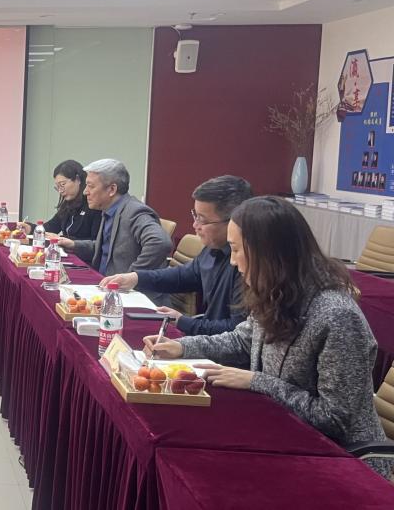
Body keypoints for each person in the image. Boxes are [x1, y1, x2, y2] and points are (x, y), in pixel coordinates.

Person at [144, 197, 392, 478]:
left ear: (269, 253)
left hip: (343, 461)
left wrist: (256, 381)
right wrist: (181, 347)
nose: (233, 261)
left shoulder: (337, 316)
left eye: (236, 250)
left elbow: (334, 419)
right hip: (284, 434)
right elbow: (242, 341)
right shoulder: (275, 291)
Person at [100, 175, 251, 335]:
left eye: (202, 220)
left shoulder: (247, 266)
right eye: (195, 216)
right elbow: (183, 276)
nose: (195, 225)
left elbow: (237, 333)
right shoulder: (212, 248)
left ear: (233, 222)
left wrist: (183, 322)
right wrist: (136, 278)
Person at [58, 159, 172, 301]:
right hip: (105, 289)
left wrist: (134, 276)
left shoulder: (134, 211)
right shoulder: (109, 210)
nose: (85, 192)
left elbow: (160, 242)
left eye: (90, 186)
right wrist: (73, 244)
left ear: (112, 189)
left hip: (133, 298)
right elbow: (108, 248)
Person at [19, 159, 101, 240]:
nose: (60, 191)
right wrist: (30, 228)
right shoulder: (67, 205)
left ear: (78, 179)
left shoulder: (93, 204)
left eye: (62, 184)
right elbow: (51, 227)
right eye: (57, 187)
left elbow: (95, 242)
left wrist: (62, 239)